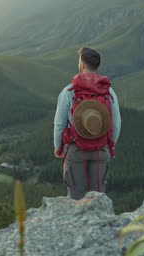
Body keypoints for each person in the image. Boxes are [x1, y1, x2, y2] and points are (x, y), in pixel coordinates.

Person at [53, 47, 121, 200]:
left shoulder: (69, 90)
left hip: (76, 148)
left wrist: (59, 147)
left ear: (82, 64)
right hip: (101, 149)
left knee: (74, 196)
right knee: (99, 197)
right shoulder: (108, 92)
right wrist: (110, 145)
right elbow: (116, 123)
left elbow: (59, 123)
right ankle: (99, 223)